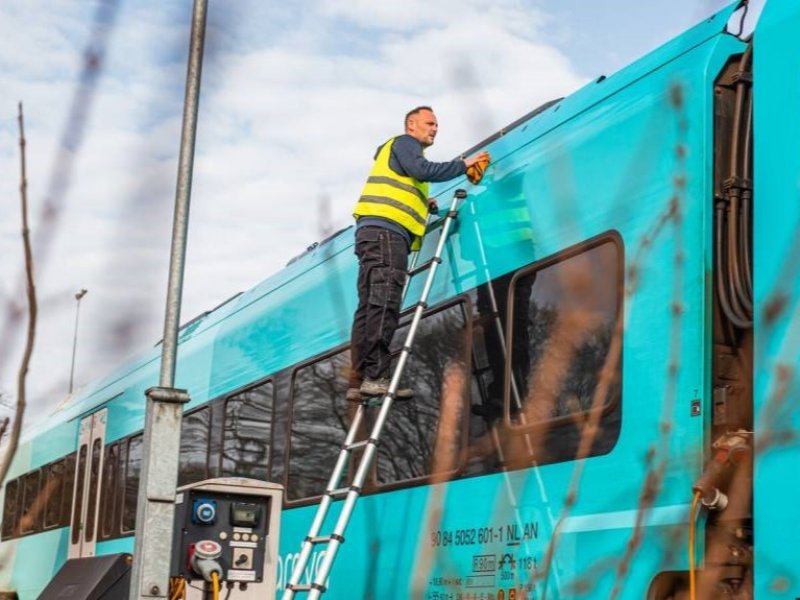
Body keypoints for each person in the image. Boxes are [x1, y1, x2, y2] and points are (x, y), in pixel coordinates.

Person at [347, 106, 490, 401]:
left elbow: (408, 184)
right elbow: (424, 170)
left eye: (436, 124)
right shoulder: (405, 143)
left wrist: (425, 203)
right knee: (385, 302)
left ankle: (359, 378)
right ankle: (376, 377)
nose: (435, 128)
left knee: (368, 307)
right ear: (411, 125)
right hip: (387, 234)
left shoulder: (398, 157)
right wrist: (463, 164)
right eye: (430, 123)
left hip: (372, 233)